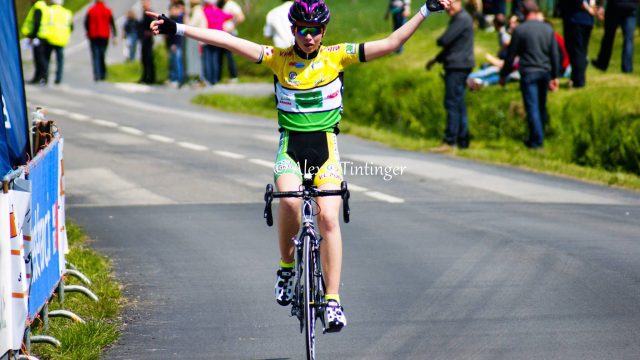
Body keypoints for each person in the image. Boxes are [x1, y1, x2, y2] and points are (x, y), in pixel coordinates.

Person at [147, 0, 450, 332]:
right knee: (289, 199)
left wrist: (425, 9)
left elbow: (391, 43)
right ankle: (286, 268)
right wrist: (177, 27)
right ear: (293, 31)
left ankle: (332, 300)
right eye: (302, 31)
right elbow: (228, 40)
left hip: (326, 150)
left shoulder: (338, 55)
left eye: (315, 31)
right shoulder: (279, 59)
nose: (309, 37)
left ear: (323, 32)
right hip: (291, 148)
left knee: (329, 218)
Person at [500, 0, 561, 149]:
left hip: (529, 72)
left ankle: (537, 141)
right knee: (541, 105)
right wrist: (555, 76)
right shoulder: (548, 29)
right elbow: (555, 54)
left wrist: (504, 74)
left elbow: (511, 56)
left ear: (523, 12)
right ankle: (538, 135)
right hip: (545, 71)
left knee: (532, 106)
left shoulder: (520, 30)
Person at [426, 0, 474, 152]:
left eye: (451, 4)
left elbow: (445, 40)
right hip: (460, 65)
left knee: (452, 103)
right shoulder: (461, 18)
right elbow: (451, 46)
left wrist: (439, 41)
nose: (448, 9)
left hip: (457, 67)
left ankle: (450, 140)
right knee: (459, 103)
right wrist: (435, 60)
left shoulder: (462, 19)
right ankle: (462, 140)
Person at [591, 0, 638, 73]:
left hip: (615, 6)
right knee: (628, 39)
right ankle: (627, 68)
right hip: (631, 7)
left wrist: (600, 5)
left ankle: (602, 63)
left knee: (609, 36)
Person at [559, 0, 596, 87]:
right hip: (587, 20)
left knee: (576, 50)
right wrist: (592, 7)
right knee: (582, 50)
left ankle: (578, 81)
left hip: (575, 18)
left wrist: (588, 8)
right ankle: (576, 78)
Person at [202, 0, 233, 85]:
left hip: (208, 36)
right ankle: (215, 79)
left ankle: (208, 79)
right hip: (219, 37)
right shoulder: (219, 12)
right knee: (215, 59)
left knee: (208, 59)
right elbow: (231, 16)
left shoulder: (204, 11)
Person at [85, 0, 117, 82]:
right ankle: (103, 73)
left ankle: (97, 74)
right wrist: (114, 35)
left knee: (95, 55)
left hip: (94, 35)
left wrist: (88, 31)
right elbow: (112, 23)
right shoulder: (107, 10)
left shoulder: (91, 10)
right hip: (104, 35)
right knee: (102, 54)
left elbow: (86, 23)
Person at [21, 0, 50, 85]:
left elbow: (37, 23)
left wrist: (32, 36)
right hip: (42, 35)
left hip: (38, 36)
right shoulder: (43, 5)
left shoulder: (38, 7)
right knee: (38, 58)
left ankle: (43, 77)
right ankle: (38, 77)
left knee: (39, 58)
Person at [218, 0, 245, 82]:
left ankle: (233, 76)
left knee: (229, 56)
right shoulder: (223, 4)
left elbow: (241, 17)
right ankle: (218, 77)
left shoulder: (231, 4)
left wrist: (232, 26)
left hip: (229, 34)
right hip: (222, 33)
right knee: (220, 56)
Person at [167, 1, 186, 87]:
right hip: (172, 44)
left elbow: (177, 35)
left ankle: (179, 79)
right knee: (173, 62)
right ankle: (174, 78)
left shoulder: (178, 20)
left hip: (176, 44)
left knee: (177, 62)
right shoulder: (172, 19)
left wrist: (174, 44)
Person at [139, 0, 156, 84]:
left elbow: (154, 25)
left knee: (149, 59)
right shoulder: (144, 13)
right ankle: (145, 77)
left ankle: (151, 78)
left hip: (148, 40)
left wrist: (150, 32)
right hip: (144, 39)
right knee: (144, 59)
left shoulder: (150, 14)